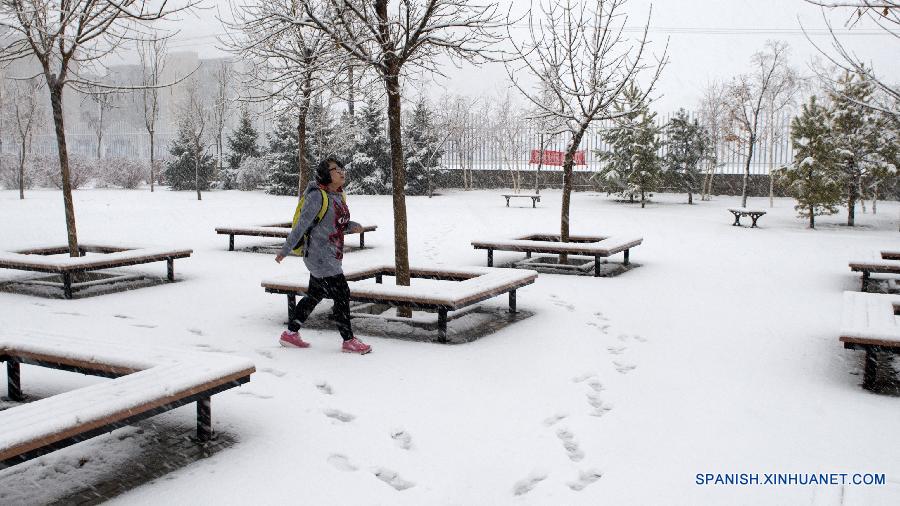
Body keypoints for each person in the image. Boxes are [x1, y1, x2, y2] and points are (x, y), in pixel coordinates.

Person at [275, 157, 372, 354]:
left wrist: (352, 226)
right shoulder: (317, 196)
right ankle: (348, 340)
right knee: (342, 294)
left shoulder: (337, 195)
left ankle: (290, 334)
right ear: (326, 174)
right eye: (336, 169)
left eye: (342, 168)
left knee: (315, 294)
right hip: (320, 256)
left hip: (331, 254)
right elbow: (301, 225)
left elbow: (337, 224)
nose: (342, 172)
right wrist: (285, 250)